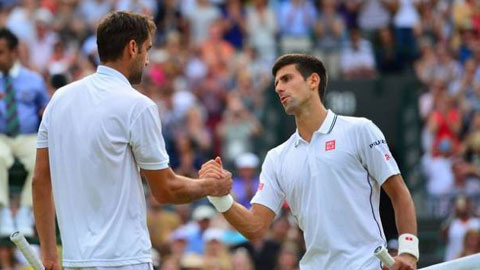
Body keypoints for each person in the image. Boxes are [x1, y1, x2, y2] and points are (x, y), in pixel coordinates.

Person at [32, 11, 232, 270]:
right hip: (124, 261)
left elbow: (40, 180)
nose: (147, 61)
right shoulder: (139, 106)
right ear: (132, 47)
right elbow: (166, 189)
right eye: (147, 49)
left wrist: (49, 255)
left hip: (74, 261)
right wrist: (210, 186)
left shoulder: (59, 100)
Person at [200, 54, 419, 270]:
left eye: (286, 79)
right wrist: (220, 198)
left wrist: (408, 252)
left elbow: (399, 193)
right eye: (276, 83)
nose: (278, 88)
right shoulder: (276, 158)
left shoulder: (360, 130)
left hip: (366, 265)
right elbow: (256, 227)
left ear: (313, 81)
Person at [0, 28, 49, 238]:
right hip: (1, 136)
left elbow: (45, 111)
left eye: (1, 51)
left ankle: (26, 213)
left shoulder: (34, 80)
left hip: (28, 136)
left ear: (14, 52)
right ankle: (3, 213)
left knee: (40, 160)